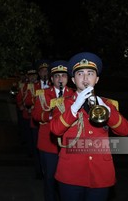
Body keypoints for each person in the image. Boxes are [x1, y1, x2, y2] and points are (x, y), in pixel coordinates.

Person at [50, 52, 128, 201]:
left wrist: (106, 108)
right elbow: (54, 130)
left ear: (97, 79)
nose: (85, 78)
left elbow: (125, 130)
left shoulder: (109, 104)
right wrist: (74, 108)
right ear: (73, 79)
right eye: (80, 74)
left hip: (101, 174)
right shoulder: (61, 104)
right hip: (70, 174)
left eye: (90, 73)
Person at [32, 60, 74, 201]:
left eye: (63, 76)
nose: (60, 79)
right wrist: (51, 115)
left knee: (67, 180)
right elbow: (36, 115)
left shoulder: (74, 94)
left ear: (68, 78)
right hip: (48, 144)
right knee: (49, 179)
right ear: (51, 79)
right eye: (57, 76)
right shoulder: (43, 94)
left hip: (69, 144)